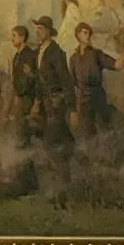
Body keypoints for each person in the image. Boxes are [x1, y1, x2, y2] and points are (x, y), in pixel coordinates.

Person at [70, 20, 119, 138]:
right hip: (83, 99)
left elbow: (116, 65)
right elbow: (73, 83)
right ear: (78, 35)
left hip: (97, 95)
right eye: (85, 33)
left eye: (89, 33)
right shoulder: (74, 58)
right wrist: (74, 108)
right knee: (88, 130)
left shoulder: (96, 53)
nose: (88, 36)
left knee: (107, 127)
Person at [33, 15, 73, 153]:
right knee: (63, 135)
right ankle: (80, 159)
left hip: (57, 100)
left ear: (49, 31)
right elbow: (40, 79)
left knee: (51, 138)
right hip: (46, 101)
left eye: (41, 29)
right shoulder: (39, 51)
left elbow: (65, 78)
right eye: (36, 29)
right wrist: (37, 102)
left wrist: (72, 107)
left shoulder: (56, 52)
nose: (38, 32)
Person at [9, 25, 39, 147]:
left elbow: (33, 79)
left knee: (26, 129)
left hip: (29, 98)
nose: (12, 39)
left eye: (14, 36)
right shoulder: (17, 56)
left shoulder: (29, 55)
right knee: (20, 127)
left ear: (22, 37)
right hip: (20, 97)